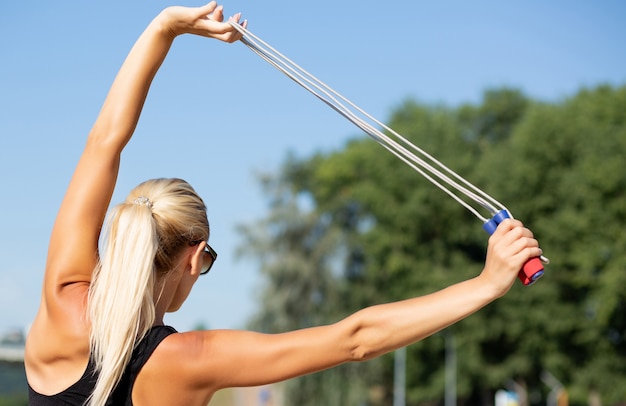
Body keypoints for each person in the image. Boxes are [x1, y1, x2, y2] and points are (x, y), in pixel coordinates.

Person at [24, 2, 543, 405]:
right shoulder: (187, 359)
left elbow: (104, 143)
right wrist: (486, 284)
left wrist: (164, 28)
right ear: (194, 254)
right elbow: (354, 339)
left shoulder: (61, 302)